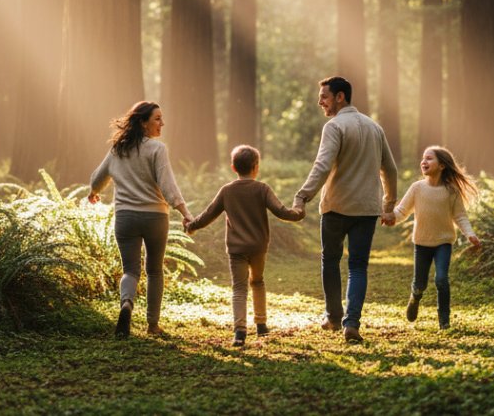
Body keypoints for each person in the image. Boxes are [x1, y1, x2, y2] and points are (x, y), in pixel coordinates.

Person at [292, 76, 398, 343]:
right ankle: (352, 323)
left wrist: (302, 196)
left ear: (340, 97)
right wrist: (388, 204)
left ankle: (333, 317)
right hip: (367, 209)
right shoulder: (375, 127)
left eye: (324, 97)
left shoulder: (334, 126)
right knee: (358, 266)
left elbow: (322, 165)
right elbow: (391, 169)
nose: (320, 102)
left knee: (330, 261)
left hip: (336, 207)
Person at [88, 101, 193, 339]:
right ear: (143, 122)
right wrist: (185, 213)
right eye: (157, 119)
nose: (162, 123)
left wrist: (94, 192)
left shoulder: (117, 149)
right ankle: (152, 325)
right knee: (155, 270)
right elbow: (168, 186)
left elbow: (98, 177)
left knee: (130, 270)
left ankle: (126, 304)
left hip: (125, 217)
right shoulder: (157, 149)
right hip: (155, 216)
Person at [184, 145, 305, 347]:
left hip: (236, 249)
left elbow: (208, 215)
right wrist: (299, 210)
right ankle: (261, 325)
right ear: (256, 166)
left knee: (239, 288)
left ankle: (239, 332)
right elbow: (282, 212)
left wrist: (191, 226)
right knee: (257, 282)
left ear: (233, 167)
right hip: (258, 247)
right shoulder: (262, 189)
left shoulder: (227, 191)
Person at [393, 146, 481, 330]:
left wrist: (470, 234)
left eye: (429, 159)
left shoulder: (451, 191)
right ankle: (414, 297)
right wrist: (390, 217)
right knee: (420, 284)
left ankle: (444, 321)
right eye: (423, 158)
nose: (424, 162)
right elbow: (402, 211)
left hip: (443, 243)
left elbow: (460, 216)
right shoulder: (417, 188)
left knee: (441, 279)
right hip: (422, 243)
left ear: (441, 165)